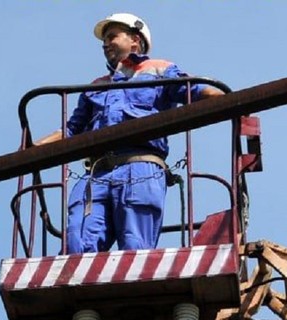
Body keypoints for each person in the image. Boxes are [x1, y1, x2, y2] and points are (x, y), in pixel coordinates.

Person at [36, 13, 224, 254]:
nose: (105, 44)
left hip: (140, 169)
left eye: (112, 36)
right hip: (98, 173)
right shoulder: (96, 86)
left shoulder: (159, 69)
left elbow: (193, 91)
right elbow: (73, 129)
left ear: (135, 40)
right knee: (78, 242)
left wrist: (231, 101)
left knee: (135, 247)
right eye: (104, 40)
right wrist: (34, 147)